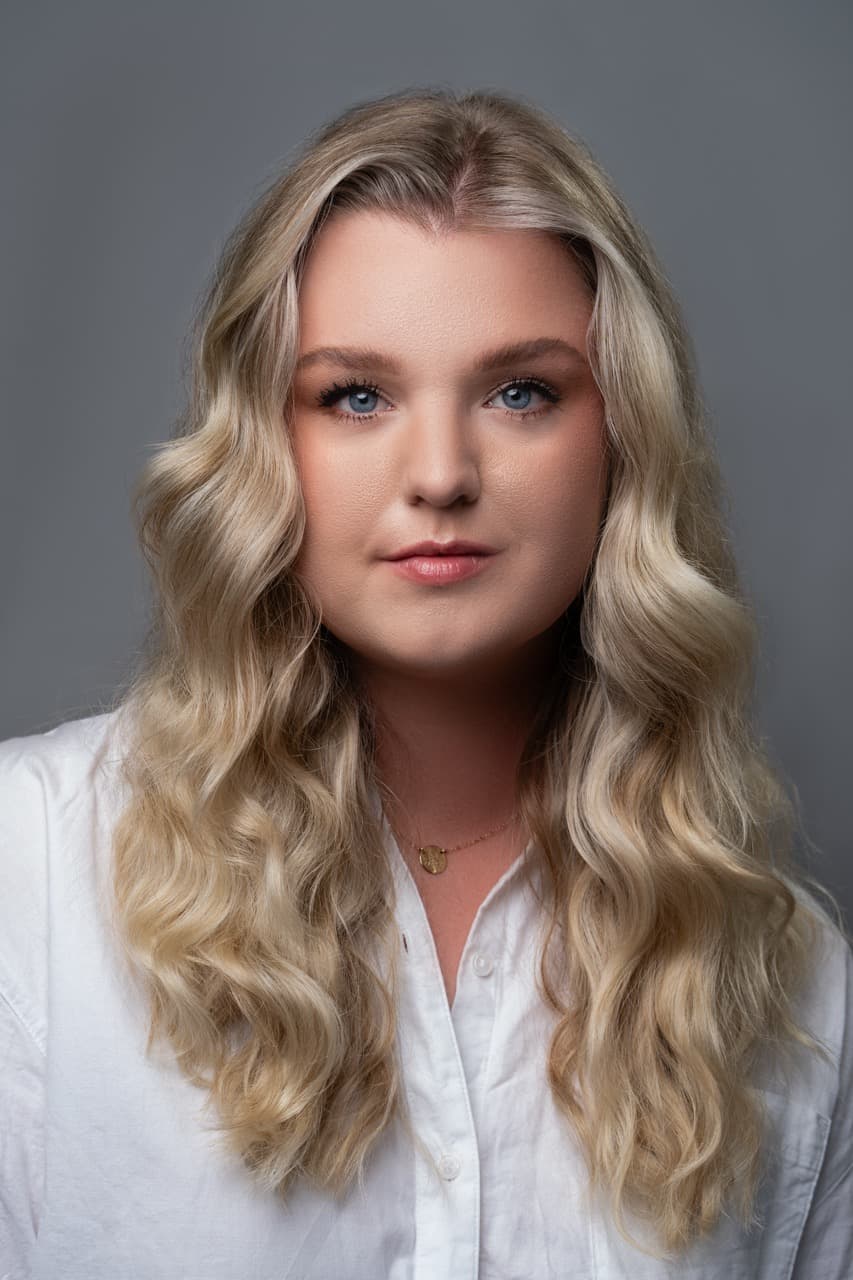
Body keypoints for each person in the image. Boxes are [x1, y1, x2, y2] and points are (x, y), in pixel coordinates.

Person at [1, 86, 850, 1280]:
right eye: (356, 394)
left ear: (621, 440)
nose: (441, 472)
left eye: (521, 392)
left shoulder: (791, 978)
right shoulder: (27, 873)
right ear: (264, 442)